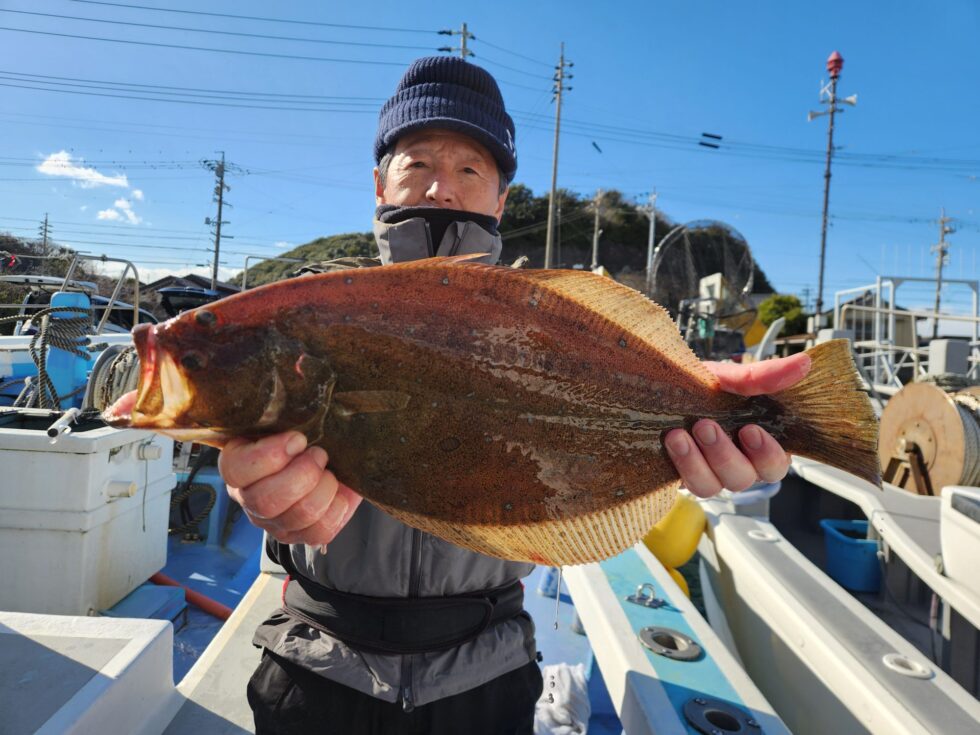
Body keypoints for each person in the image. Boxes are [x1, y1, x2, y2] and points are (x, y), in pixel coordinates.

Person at [219, 56, 809, 735]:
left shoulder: (542, 319)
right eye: (417, 163)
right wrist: (247, 477)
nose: (441, 188)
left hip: (485, 680)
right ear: (379, 185)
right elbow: (195, 398)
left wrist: (703, 423)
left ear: (501, 198)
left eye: (470, 169)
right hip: (315, 669)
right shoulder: (310, 311)